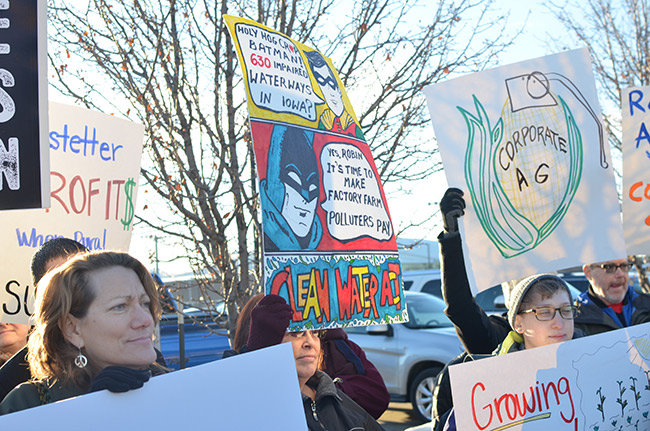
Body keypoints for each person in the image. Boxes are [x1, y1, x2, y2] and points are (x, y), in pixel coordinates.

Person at [0, 251, 164, 414]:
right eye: (120, 306)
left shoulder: (179, 389)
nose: (145, 320)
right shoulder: (28, 404)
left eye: (144, 303)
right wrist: (89, 412)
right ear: (72, 329)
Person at [442, 273, 576, 430]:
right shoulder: (488, 386)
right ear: (518, 324)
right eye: (544, 312)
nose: (559, 324)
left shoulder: (594, 366)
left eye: (566, 310)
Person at [244, 294, 386, 430]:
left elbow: (379, 397)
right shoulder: (249, 401)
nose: (310, 343)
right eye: (296, 333)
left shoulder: (335, 397)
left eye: (315, 333)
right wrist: (258, 358)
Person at [0, 238, 89, 402]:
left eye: (81, 278)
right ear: (42, 297)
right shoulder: (10, 384)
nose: (75, 291)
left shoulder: (135, 355)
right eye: (62, 282)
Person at [575, 259, 650, 335]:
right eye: (609, 267)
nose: (620, 274)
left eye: (624, 266)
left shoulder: (647, 304)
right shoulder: (572, 321)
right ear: (588, 272)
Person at [304, 50, 364, 139]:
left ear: (339, 90)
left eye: (331, 83)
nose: (329, 91)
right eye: (322, 83)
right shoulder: (322, 123)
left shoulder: (354, 128)